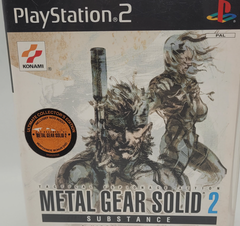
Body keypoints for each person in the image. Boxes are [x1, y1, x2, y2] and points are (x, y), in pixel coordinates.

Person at [56, 81, 185, 210]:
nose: (125, 139)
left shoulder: (163, 175)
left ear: (147, 130)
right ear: (100, 128)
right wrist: (103, 179)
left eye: (134, 129)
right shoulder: (79, 171)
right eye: (116, 129)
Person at [148, 32, 227, 186]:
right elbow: (146, 109)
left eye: (190, 59)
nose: (189, 63)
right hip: (174, 144)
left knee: (218, 172)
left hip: (191, 142)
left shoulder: (190, 82)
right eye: (185, 59)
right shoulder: (161, 83)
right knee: (173, 184)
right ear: (172, 58)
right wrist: (159, 96)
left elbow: (201, 115)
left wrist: (196, 97)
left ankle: (202, 196)